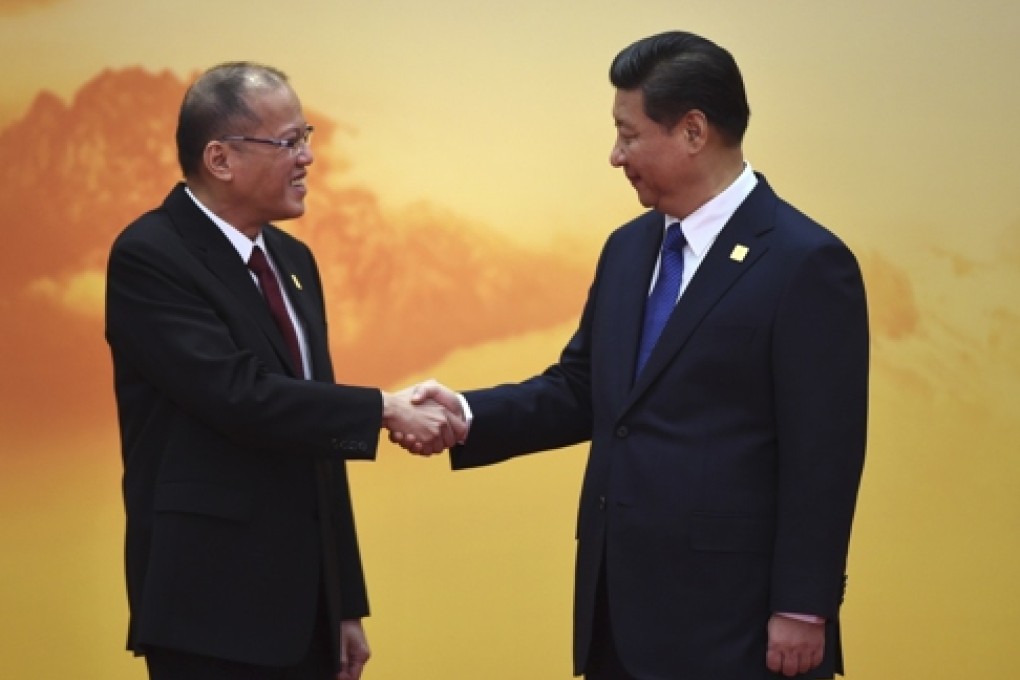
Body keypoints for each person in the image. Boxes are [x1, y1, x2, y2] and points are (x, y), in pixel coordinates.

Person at [399, 31, 868, 679]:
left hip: (737, 624)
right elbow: (584, 389)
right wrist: (466, 413)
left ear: (693, 131)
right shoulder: (628, 248)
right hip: (617, 611)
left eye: (628, 133)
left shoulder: (805, 262)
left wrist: (804, 606)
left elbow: (825, 453)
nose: (615, 156)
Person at [105, 62, 464, 679]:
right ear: (220, 159)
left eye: (308, 137)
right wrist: (383, 408)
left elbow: (315, 438)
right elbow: (238, 397)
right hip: (211, 611)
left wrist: (344, 603)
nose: (308, 159)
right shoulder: (150, 257)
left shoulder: (293, 261)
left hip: (306, 615)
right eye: (289, 142)